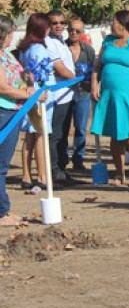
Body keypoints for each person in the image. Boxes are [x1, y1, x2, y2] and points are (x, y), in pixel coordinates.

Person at [90, 10, 129, 187]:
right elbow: (97, 66)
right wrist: (95, 84)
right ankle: (119, 174)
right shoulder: (108, 41)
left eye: (114, 21)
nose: (111, 24)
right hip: (110, 96)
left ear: (123, 25)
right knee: (115, 135)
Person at [0, 15, 40, 226]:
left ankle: (3, 210)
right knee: (0, 164)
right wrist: (27, 95)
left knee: (3, 164)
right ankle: (1, 212)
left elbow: (20, 75)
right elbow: (3, 88)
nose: (13, 37)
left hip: (14, 111)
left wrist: (29, 81)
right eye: (10, 33)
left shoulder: (6, 54)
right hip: (3, 113)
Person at [17, 13, 55, 191]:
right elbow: (38, 74)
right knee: (40, 135)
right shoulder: (39, 49)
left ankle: (26, 175)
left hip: (30, 94)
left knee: (30, 137)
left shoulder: (25, 48)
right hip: (40, 96)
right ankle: (42, 175)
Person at [60, 16, 95, 171]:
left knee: (81, 128)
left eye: (77, 30)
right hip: (64, 94)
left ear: (82, 32)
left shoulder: (88, 51)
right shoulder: (61, 47)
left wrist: (93, 86)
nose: (73, 32)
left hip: (83, 94)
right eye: (71, 29)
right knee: (63, 128)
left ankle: (78, 159)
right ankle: (62, 160)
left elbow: (94, 71)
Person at [46, 10, 77, 183]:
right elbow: (61, 70)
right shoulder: (48, 42)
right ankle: (54, 171)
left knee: (64, 135)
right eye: (54, 23)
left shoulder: (61, 42)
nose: (59, 26)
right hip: (56, 96)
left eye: (61, 22)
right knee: (55, 135)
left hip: (67, 95)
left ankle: (62, 169)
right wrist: (76, 77)